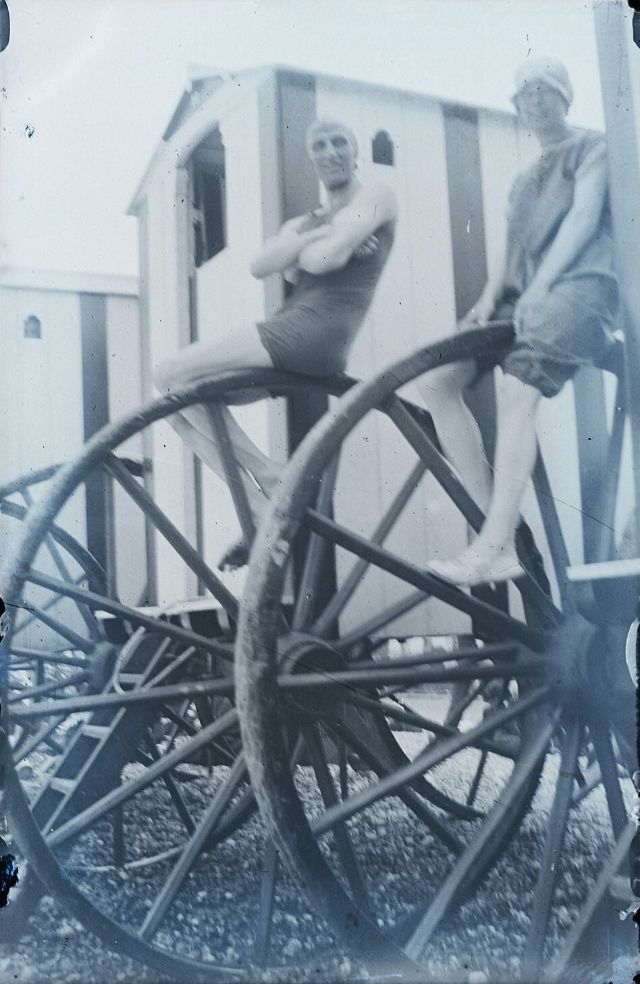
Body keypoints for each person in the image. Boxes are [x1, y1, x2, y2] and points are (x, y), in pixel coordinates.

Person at [155, 118, 397, 567]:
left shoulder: (376, 196)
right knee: (177, 402)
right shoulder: (306, 220)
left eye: (339, 142)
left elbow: (323, 262)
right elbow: (259, 265)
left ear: (355, 149)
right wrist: (329, 234)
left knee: (166, 372)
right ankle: (259, 503)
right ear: (311, 157)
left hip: (315, 333)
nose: (330, 152)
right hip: (292, 329)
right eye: (319, 145)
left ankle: (270, 476)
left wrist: (306, 247)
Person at [422, 57, 619, 587]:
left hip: (584, 288)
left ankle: (493, 544)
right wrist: (490, 299)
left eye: (545, 89)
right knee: (439, 380)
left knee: (516, 391)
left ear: (565, 97)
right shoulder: (523, 179)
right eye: (525, 93)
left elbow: (581, 220)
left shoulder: (593, 148)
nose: (534, 100)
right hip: (532, 296)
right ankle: (496, 528)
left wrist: (537, 288)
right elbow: (511, 250)